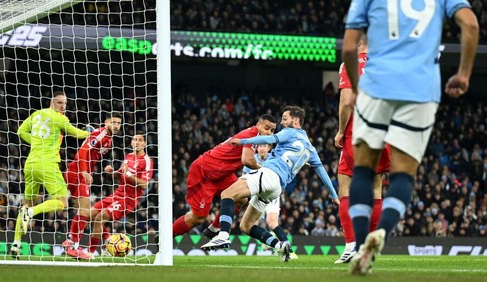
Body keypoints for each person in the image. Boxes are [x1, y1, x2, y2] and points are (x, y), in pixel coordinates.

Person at [342, 0, 478, 275]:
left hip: (376, 87)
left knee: (363, 171)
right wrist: (463, 75)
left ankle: (358, 244)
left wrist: (357, 90)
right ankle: (380, 233)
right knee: (403, 175)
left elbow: (348, 47)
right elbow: (471, 24)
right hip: (420, 91)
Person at [201, 106, 339, 262]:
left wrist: (242, 141)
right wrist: (334, 196)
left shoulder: (290, 132)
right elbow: (322, 173)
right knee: (246, 226)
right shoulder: (310, 148)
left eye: (285, 118)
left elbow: (268, 139)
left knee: (227, 194)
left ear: (295, 120)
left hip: (269, 174)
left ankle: (223, 236)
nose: (281, 122)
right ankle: (280, 246)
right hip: (276, 188)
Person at [10, 91, 90, 259]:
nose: (62, 106)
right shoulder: (59, 118)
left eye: (65, 104)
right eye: (60, 103)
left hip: (31, 164)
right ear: (51, 102)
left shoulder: (37, 114)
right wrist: (91, 133)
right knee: (62, 202)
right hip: (47, 165)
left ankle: (16, 244)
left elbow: (20, 131)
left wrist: (37, 142)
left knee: (27, 202)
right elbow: (75, 133)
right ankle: (31, 213)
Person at [334, 34, 391, 264]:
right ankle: (369, 247)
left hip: (357, 129)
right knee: (376, 189)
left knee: (345, 185)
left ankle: (351, 246)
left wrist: (340, 130)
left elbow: (347, 101)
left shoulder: (349, 63)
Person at [170, 114, 276, 238]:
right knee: (198, 218)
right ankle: (166, 236)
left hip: (223, 174)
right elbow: (247, 160)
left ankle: (214, 229)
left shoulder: (256, 138)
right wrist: (264, 169)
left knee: (240, 198)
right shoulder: (253, 134)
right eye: (266, 128)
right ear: (258, 125)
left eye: (272, 130)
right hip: (205, 173)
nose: (269, 133)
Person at [61, 112, 123, 258]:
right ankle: (72, 244)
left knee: (84, 213)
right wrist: (84, 171)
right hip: (79, 173)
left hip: (76, 171)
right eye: (113, 122)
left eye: (119, 123)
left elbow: (92, 152)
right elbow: (83, 151)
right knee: (84, 212)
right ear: (105, 122)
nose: (116, 126)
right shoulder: (100, 134)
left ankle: (102, 239)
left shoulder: (108, 140)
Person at [86, 132, 154, 258]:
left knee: (99, 219)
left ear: (144, 143)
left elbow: (144, 185)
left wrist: (128, 174)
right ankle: (108, 239)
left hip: (128, 200)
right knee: (89, 215)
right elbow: (119, 176)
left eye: (140, 140)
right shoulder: (128, 156)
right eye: (135, 140)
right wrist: (112, 172)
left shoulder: (147, 161)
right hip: (117, 194)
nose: (137, 142)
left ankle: (89, 253)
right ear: (131, 143)